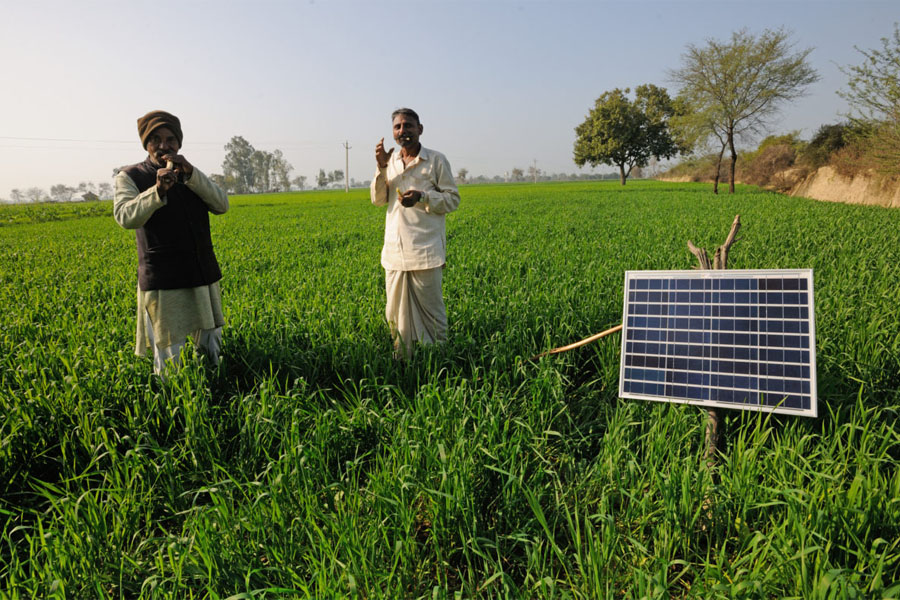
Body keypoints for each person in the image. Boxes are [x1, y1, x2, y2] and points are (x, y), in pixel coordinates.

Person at [114, 110, 229, 375]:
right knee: (168, 351)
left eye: (170, 139)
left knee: (211, 343)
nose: (164, 146)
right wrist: (157, 191)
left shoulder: (190, 174)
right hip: (164, 278)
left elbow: (221, 205)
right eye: (155, 140)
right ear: (146, 144)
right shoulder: (131, 176)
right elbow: (125, 216)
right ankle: (172, 401)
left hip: (201, 271)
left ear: (179, 143)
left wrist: (191, 175)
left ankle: (217, 387)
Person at [370, 108, 460, 358]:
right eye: (397, 127)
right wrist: (380, 167)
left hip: (425, 250)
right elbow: (378, 200)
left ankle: (438, 362)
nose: (403, 131)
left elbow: (452, 200)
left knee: (432, 313)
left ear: (420, 129)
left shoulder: (436, 161)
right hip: (395, 252)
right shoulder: (390, 163)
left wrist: (422, 197)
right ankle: (404, 361)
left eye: (408, 126)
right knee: (394, 313)